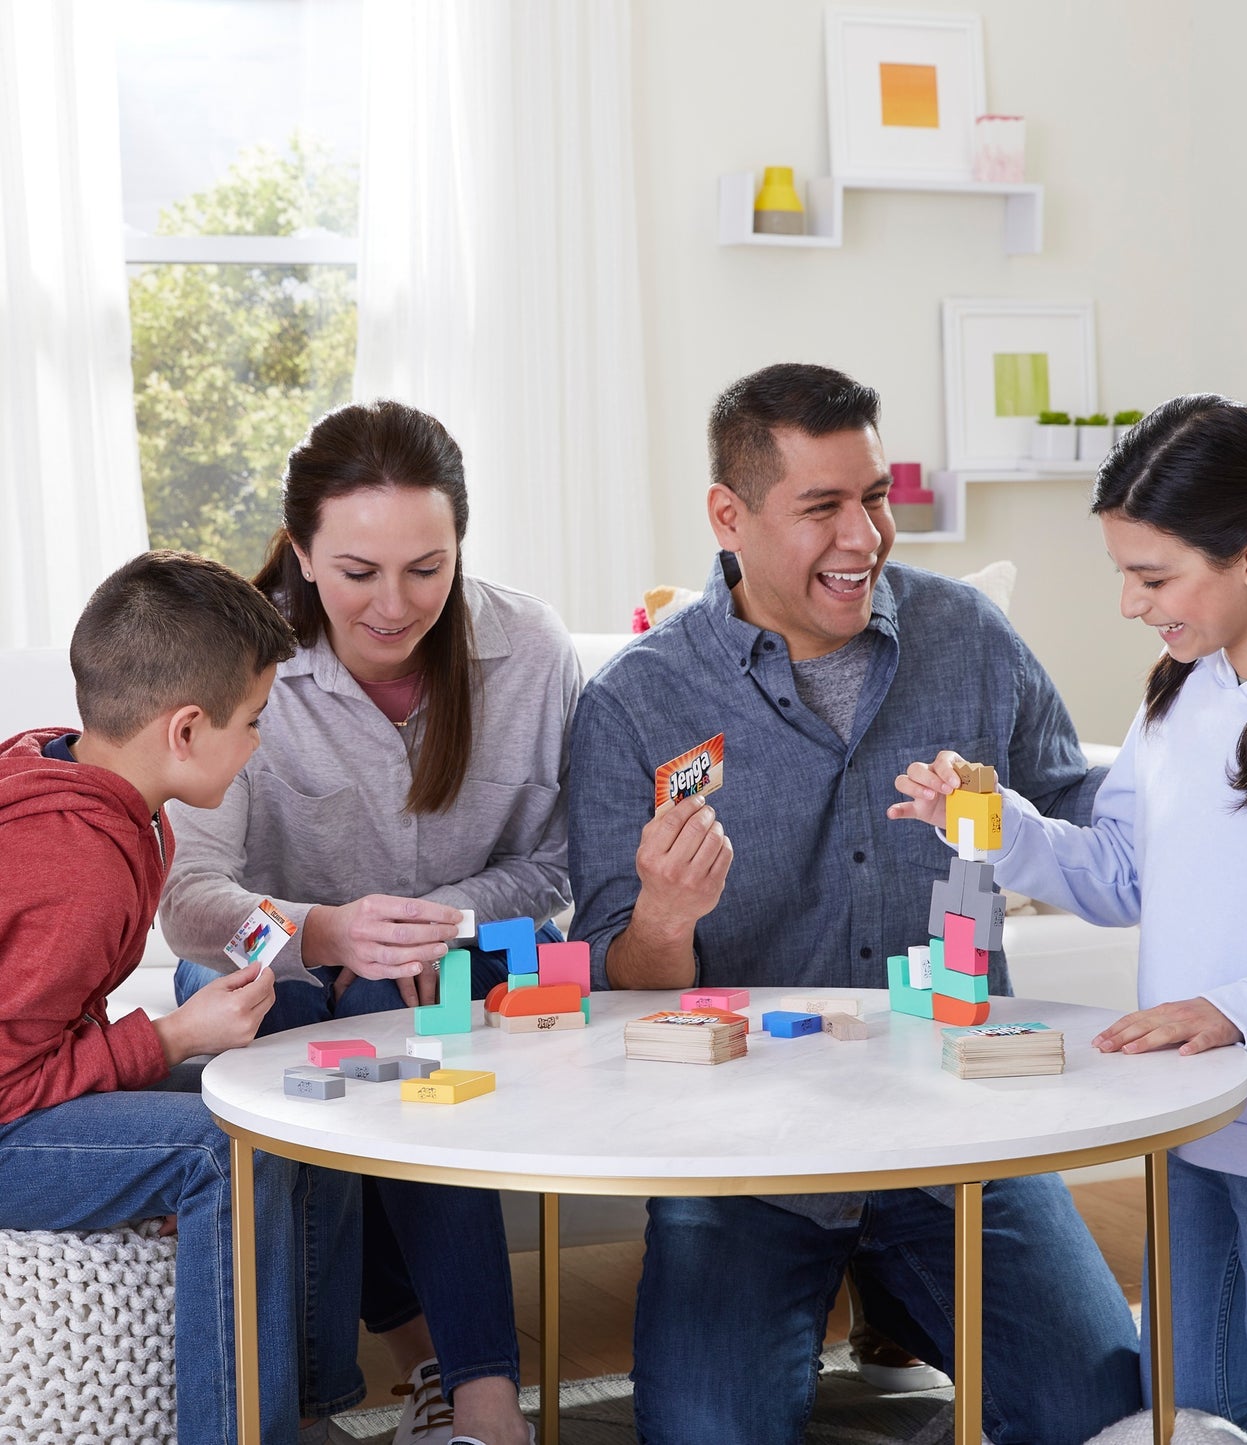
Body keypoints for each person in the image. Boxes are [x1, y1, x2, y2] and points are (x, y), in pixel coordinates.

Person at [566, 362, 1142, 1445]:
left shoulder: (966, 635)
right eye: (820, 506)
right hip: (742, 1159)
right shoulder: (636, 702)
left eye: (874, 496)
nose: (863, 535)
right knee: (705, 1433)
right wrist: (661, 919)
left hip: (958, 1130)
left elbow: (1088, 822)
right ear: (727, 517)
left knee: (1098, 1414)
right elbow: (606, 982)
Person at [893, 393, 1247, 1444]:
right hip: (1188, 1123)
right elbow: (1116, 875)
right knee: (1190, 1416)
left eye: (1151, 577)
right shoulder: (1178, 696)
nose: (1127, 605)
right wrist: (994, 822)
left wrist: (1236, 1011)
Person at [161, 400, 577, 1445]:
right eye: (356, 573)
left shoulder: (528, 651)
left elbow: (562, 864)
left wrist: (440, 924)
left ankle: (483, 1405)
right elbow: (188, 901)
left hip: (461, 953)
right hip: (275, 971)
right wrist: (324, 933)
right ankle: (316, 1399)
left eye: (425, 568)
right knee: (308, 1027)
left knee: (424, 1023)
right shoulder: (234, 666)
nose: (394, 605)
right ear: (301, 551)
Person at [0, 550, 364, 1445]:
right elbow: (9, 1085)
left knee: (304, 1108)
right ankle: (245, 1431)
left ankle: (304, 1401)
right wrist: (168, 1037)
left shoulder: (84, 782)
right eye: (253, 721)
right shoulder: (78, 862)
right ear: (187, 729)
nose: (258, 745)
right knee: (225, 1150)